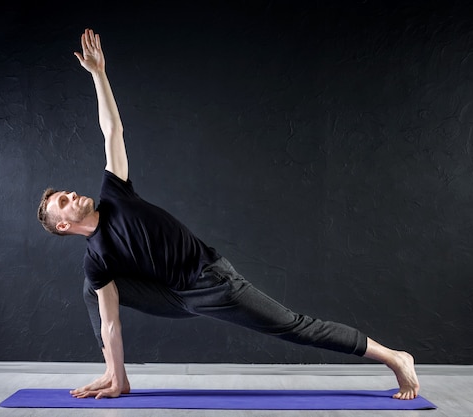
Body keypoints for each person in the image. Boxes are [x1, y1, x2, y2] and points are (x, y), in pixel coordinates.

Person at [37, 28, 420, 401]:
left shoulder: (114, 193)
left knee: (293, 327)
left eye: (67, 192)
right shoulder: (97, 260)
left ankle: (394, 357)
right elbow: (109, 322)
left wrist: (99, 74)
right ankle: (115, 377)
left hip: (211, 282)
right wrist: (117, 372)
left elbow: (112, 131)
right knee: (93, 289)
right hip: (172, 296)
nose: (71, 194)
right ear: (65, 226)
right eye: (63, 203)